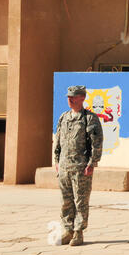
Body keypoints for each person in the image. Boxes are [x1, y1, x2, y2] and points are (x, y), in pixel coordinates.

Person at [54, 85, 103, 246]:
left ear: (81, 98)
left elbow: (97, 144)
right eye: (68, 96)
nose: (69, 99)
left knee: (80, 201)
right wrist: (56, 161)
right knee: (65, 201)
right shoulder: (64, 117)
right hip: (64, 167)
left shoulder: (89, 118)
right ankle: (68, 230)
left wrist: (92, 163)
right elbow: (58, 141)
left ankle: (78, 232)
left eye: (73, 97)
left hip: (81, 168)